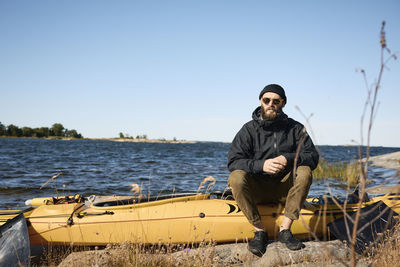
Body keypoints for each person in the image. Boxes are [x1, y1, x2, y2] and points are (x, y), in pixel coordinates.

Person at [227, 84, 319, 257]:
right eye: (266, 100)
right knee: (236, 177)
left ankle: (285, 230)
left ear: (282, 103)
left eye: (276, 101)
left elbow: (313, 157)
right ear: (261, 101)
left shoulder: (296, 129)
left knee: (305, 170)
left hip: (285, 189)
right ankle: (260, 231)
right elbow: (234, 161)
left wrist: (288, 158)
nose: (271, 104)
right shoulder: (248, 130)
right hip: (257, 189)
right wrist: (261, 165)